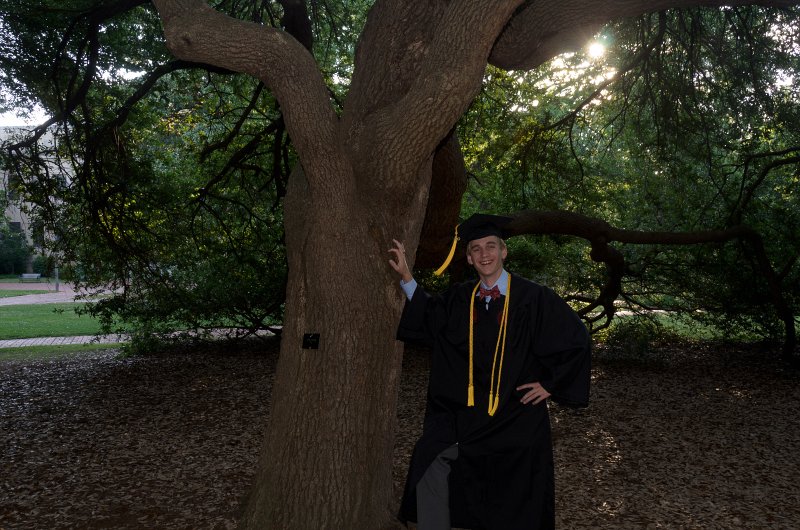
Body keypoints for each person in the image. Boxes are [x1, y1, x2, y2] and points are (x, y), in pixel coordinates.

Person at [388, 213, 591, 530]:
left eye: (491, 246)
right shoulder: (460, 297)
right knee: (430, 456)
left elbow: (576, 339)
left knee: (518, 484)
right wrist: (406, 276)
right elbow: (430, 314)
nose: (485, 254)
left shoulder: (534, 298)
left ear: (504, 251)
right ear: (469, 258)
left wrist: (551, 384)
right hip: (467, 412)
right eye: (476, 248)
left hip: (516, 412)